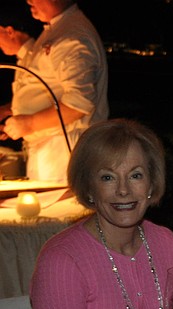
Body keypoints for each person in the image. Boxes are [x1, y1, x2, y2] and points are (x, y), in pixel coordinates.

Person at [30, 119, 173, 309]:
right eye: (107, 177)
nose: (123, 190)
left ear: (152, 184)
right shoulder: (62, 260)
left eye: (135, 175)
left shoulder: (167, 243)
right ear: (88, 187)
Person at [0, 0, 108, 182]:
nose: (28, 1)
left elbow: (79, 103)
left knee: (63, 209)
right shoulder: (57, 30)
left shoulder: (73, 36)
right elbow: (46, 90)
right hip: (49, 149)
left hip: (65, 149)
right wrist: (16, 114)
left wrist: (29, 123)